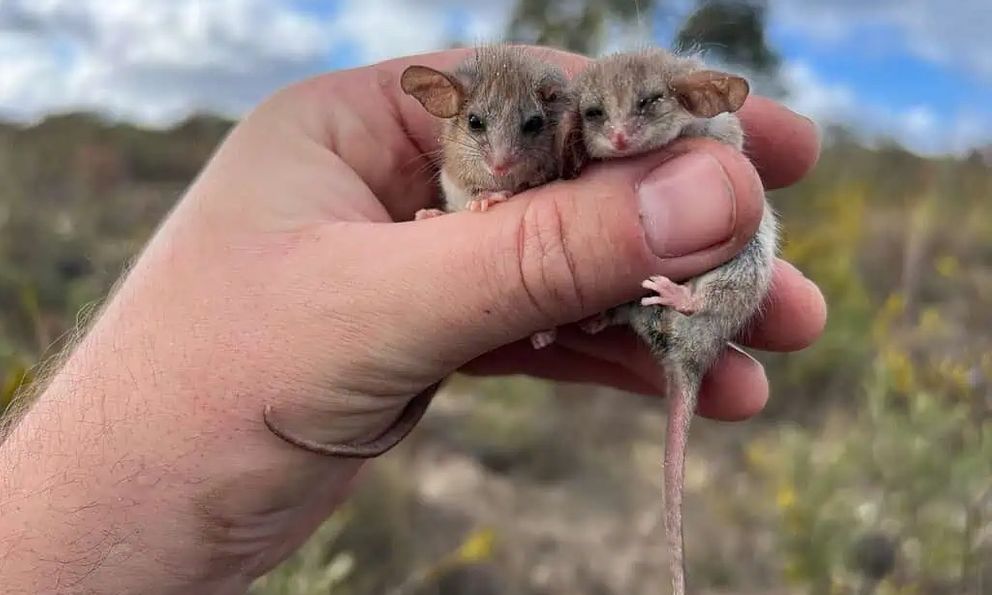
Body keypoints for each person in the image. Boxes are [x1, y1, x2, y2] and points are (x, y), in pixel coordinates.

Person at [0, 47, 825, 593]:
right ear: (446, 113)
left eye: (531, 130)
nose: (502, 153)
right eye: (475, 129)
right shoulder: (482, 146)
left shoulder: (584, 132)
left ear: (555, 120)